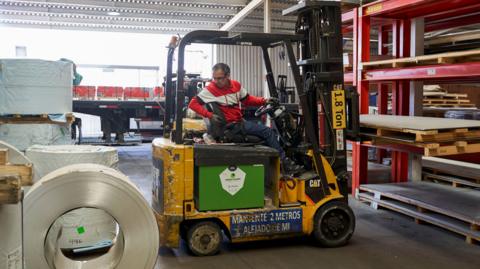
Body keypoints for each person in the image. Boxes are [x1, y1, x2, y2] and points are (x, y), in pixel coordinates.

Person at [188, 63, 301, 173]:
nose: (216, 81)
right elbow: (192, 104)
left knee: (263, 134)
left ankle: (272, 166)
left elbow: (247, 100)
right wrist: (210, 115)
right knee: (268, 132)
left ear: (228, 76)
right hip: (231, 126)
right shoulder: (210, 89)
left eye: (220, 78)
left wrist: (264, 101)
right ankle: (285, 163)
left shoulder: (236, 86)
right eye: (214, 78)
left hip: (238, 122)